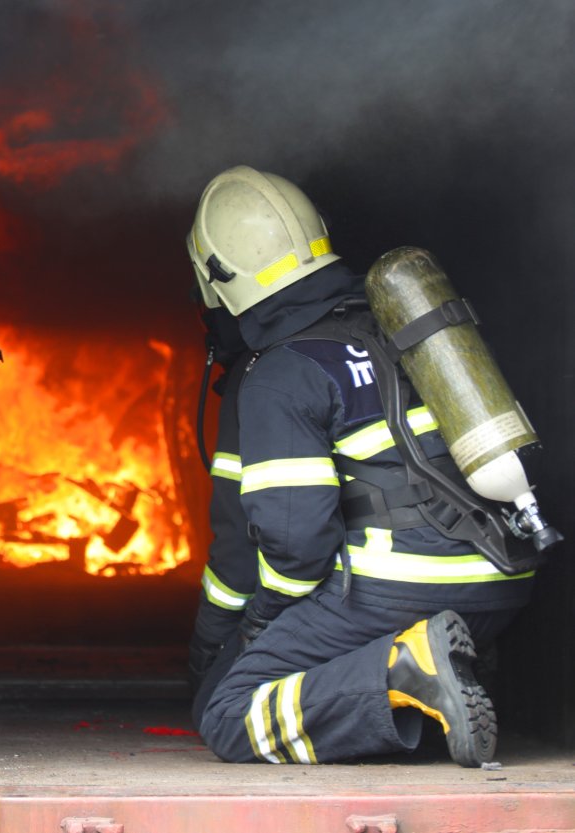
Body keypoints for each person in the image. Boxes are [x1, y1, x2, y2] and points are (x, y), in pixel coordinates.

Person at [187, 166, 535, 766]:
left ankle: (408, 668)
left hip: (392, 590)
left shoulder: (280, 370)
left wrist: (252, 625)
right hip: (503, 577)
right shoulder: (411, 333)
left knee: (225, 709)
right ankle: (432, 679)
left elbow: (296, 544)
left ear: (217, 277)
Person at [186, 279, 255, 722]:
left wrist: (208, 647)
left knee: (221, 717)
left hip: (365, 593)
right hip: (472, 563)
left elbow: (240, 552)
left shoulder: (266, 378)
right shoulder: (361, 340)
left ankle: (400, 672)